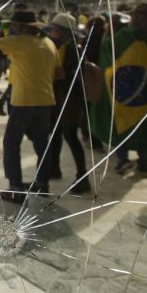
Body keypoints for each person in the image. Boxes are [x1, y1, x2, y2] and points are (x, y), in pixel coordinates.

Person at [0, 10, 59, 203]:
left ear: (21, 26)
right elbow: (58, 73)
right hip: (45, 101)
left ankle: (16, 189)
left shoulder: (20, 42)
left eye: (14, 25)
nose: (12, 28)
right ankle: (42, 184)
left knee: (11, 143)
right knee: (42, 143)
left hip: (24, 101)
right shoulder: (49, 43)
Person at [91, 3, 147, 179]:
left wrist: (110, 30)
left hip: (123, 94)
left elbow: (107, 50)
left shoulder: (123, 37)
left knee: (121, 125)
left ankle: (123, 161)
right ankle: (143, 165)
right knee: (146, 127)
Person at [46, 13, 91, 193]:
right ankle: (54, 168)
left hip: (69, 99)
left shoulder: (72, 49)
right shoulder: (65, 46)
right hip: (61, 98)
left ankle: (83, 178)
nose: (51, 31)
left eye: (54, 29)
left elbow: (65, 75)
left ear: (62, 32)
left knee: (71, 136)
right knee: (56, 133)